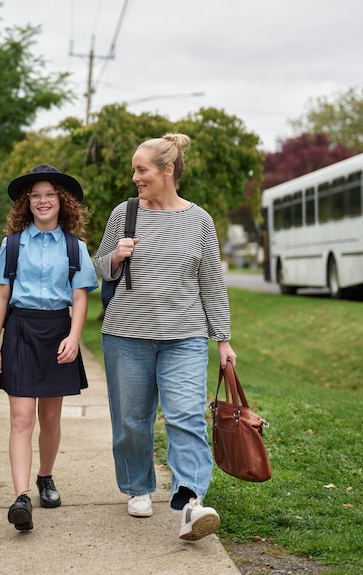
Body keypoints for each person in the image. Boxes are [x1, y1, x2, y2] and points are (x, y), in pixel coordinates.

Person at [93, 133, 236, 541]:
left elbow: (211, 282)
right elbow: (98, 268)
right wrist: (115, 256)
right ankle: (137, 487)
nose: (135, 177)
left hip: (185, 336)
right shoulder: (125, 213)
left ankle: (191, 502)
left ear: (167, 170)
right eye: (135, 170)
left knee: (186, 417)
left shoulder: (200, 221)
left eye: (142, 170)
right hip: (126, 334)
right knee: (132, 421)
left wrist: (222, 339)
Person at [0, 165, 99, 532]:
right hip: (20, 330)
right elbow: (1, 296)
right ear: (27, 202)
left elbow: (80, 299)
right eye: (36, 195)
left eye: (50, 194)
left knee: (49, 419)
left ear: (61, 201)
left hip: (57, 332)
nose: (43, 200)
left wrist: (74, 336)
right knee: (21, 419)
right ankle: (21, 498)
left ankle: (45, 477)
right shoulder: (13, 244)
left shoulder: (75, 247)